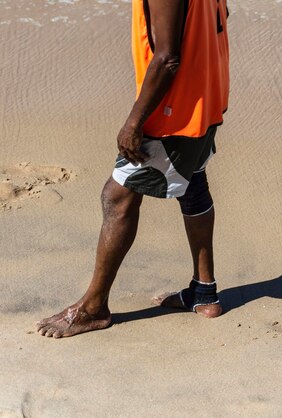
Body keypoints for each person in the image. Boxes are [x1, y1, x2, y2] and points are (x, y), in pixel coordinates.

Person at [36, 0, 230, 338]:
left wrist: (134, 121)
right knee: (193, 183)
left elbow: (167, 58)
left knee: (117, 197)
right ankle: (204, 292)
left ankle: (93, 308)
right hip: (207, 94)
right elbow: (219, 16)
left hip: (175, 110)